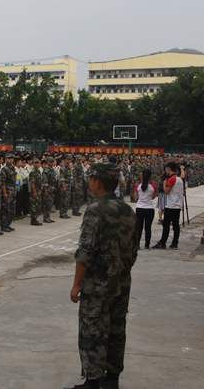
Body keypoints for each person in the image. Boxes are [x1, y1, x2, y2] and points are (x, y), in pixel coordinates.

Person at [68, 163, 137, 389]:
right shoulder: (127, 210)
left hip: (97, 283)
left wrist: (77, 284)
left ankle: (93, 380)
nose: (89, 182)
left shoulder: (95, 209)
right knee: (117, 330)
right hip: (121, 281)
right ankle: (112, 378)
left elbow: (85, 251)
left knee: (92, 330)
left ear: (97, 181)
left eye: (91, 178)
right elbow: (133, 250)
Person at [153, 162, 184, 249]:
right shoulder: (179, 179)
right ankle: (175, 243)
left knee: (166, 225)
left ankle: (163, 242)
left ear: (169, 169)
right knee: (176, 225)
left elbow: (166, 191)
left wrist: (164, 183)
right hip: (177, 205)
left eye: (166, 169)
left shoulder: (171, 179)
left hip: (171, 205)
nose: (165, 171)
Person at [131, 169, 157, 250]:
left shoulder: (138, 186)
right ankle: (147, 245)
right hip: (149, 208)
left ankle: (137, 245)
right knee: (148, 228)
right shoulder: (153, 186)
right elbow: (153, 197)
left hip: (139, 208)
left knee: (139, 228)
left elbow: (135, 198)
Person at [0, 153, 17, 232]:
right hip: (7, 191)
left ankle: (8, 224)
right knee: (5, 210)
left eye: (11, 158)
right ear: (5, 159)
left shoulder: (13, 168)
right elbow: (2, 182)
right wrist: (4, 193)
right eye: (8, 158)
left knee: (12, 210)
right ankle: (4, 226)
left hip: (13, 191)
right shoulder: (4, 169)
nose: (10, 160)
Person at [29, 158, 43, 226]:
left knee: (38, 205)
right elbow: (32, 183)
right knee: (34, 206)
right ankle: (33, 220)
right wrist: (34, 192)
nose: (37, 164)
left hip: (38, 191)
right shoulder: (33, 172)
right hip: (34, 191)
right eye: (35, 163)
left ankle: (35, 218)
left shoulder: (38, 171)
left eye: (38, 163)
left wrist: (40, 190)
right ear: (33, 164)